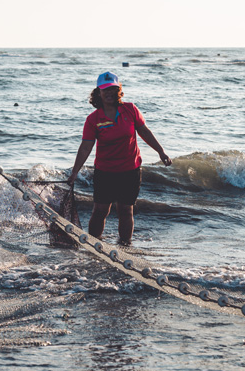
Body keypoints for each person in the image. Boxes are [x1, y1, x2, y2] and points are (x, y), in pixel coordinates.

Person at [67, 70, 172, 244]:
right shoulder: (93, 119)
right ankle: (94, 244)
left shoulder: (130, 109)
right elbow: (86, 147)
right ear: (98, 92)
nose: (109, 93)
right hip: (105, 171)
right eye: (105, 89)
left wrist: (161, 152)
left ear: (118, 90)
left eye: (112, 89)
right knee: (100, 210)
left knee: (126, 210)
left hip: (130, 170)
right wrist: (74, 172)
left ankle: (125, 247)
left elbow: (144, 132)